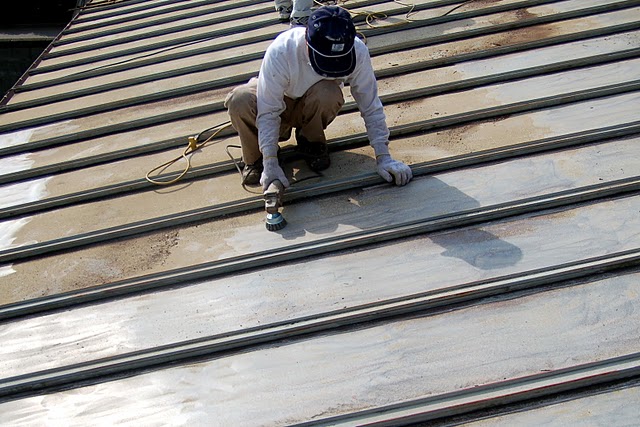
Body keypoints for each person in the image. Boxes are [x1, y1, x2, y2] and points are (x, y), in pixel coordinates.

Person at [224, 5, 412, 191]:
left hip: (311, 104)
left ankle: (310, 141)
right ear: (307, 42)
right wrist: (270, 162)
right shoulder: (282, 50)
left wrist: (384, 156)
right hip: (277, 100)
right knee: (239, 99)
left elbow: (370, 105)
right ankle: (255, 158)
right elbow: (268, 110)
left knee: (328, 93)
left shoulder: (358, 51)